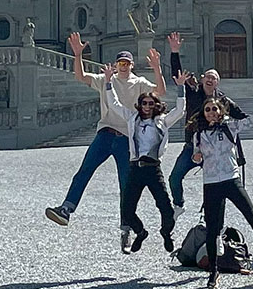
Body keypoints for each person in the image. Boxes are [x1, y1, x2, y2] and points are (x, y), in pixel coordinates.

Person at [45, 32, 166, 240]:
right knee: (84, 171)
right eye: (121, 62)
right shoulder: (105, 79)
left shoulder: (139, 83)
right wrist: (77, 55)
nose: (123, 66)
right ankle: (66, 209)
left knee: (125, 183)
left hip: (126, 139)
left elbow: (160, 91)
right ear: (116, 64)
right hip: (105, 134)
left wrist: (157, 68)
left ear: (131, 65)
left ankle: (126, 225)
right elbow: (81, 76)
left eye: (126, 63)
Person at [167, 32, 253, 215]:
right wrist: (175, 52)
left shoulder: (223, 101)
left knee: (218, 185)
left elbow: (241, 116)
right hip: (192, 146)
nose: (210, 79)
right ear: (202, 79)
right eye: (208, 76)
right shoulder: (193, 93)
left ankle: (213, 217)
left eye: (214, 78)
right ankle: (179, 204)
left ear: (217, 82)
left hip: (214, 150)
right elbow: (177, 76)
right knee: (174, 178)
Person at [193, 90, 253, 288]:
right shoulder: (198, 134)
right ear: (203, 113)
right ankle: (213, 271)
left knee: (252, 216)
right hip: (211, 183)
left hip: (231, 179)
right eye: (207, 110)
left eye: (214, 109)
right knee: (212, 228)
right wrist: (196, 157)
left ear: (221, 111)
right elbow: (196, 155)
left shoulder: (230, 126)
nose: (211, 112)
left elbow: (251, 121)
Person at [103, 62, 188, 254]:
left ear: (156, 105)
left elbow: (179, 111)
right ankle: (140, 232)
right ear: (139, 105)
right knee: (127, 210)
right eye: (144, 103)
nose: (147, 106)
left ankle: (166, 233)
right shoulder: (132, 118)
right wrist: (108, 82)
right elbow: (114, 104)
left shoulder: (162, 121)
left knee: (166, 209)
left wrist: (181, 88)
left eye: (151, 103)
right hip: (135, 168)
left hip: (153, 168)